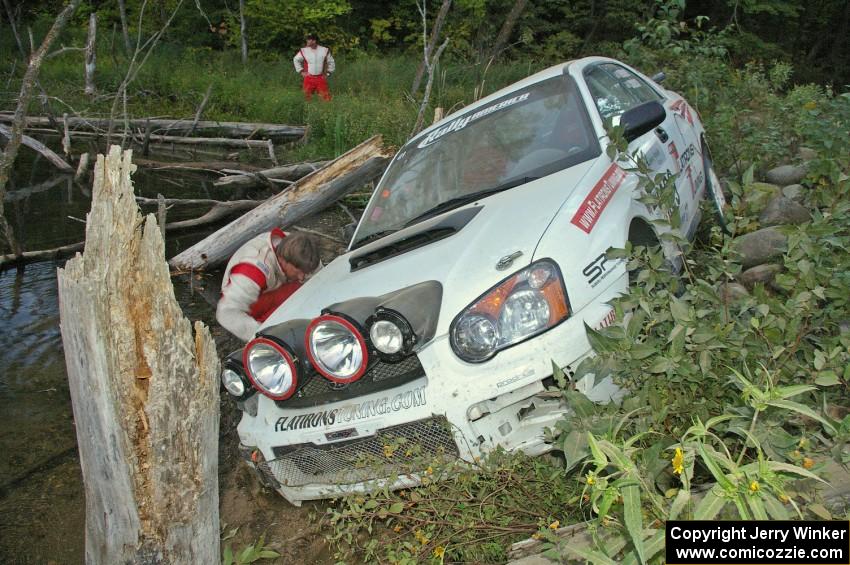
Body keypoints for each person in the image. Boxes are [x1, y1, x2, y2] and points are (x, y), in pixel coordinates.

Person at [217, 230, 321, 341]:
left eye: (305, 271)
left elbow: (319, 279)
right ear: (283, 260)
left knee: (307, 286)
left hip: (275, 286)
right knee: (297, 291)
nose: (301, 277)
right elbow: (226, 312)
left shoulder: (306, 253)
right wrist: (264, 337)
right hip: (249, 299)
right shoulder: (252, 271)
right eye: (298, 271)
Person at [293, 33, 335, 101]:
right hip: (308, 78)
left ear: (314, 41)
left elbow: (331, 62)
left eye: (309, 39)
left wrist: (328, 73)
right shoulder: (304, 51)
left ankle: (326, 111)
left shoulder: (324, 50)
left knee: (326, 99)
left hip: (320, 78)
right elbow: (296, 59)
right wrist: (301, 71)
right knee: (306, 98)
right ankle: (307, 111)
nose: (307, 41)